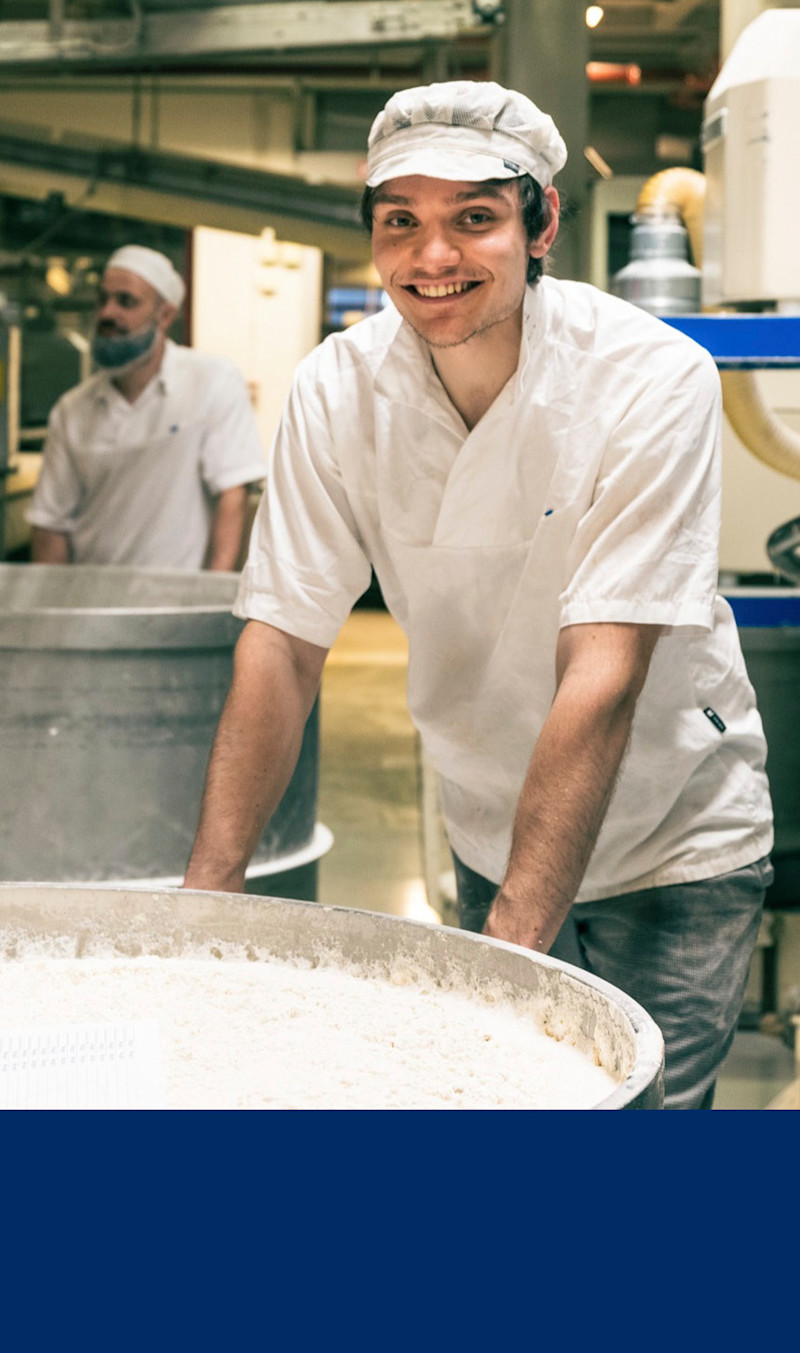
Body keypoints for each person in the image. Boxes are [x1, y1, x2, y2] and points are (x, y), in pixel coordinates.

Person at [183, 80, 774, 1110]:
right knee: (510, 1131)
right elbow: (282, 643)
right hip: (492, 827)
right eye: (399, 222)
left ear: (539, 222)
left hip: (669, 841)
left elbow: (600, 675)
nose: (432, 257)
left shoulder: (646, 379)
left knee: (636, 1138)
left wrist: (505, 958)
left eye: (472, 219)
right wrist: (205, 900)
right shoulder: (337, 389)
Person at [27, 244, 266, 571]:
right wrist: (50, 614)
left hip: (176, 600)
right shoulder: (72, 411)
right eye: (103, 300)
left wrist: (209, 598)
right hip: (92, 600)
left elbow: (232, 498)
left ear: (165, 315)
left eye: (126, 301)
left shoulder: (212, 382)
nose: (107, 313)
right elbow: (50, 523)